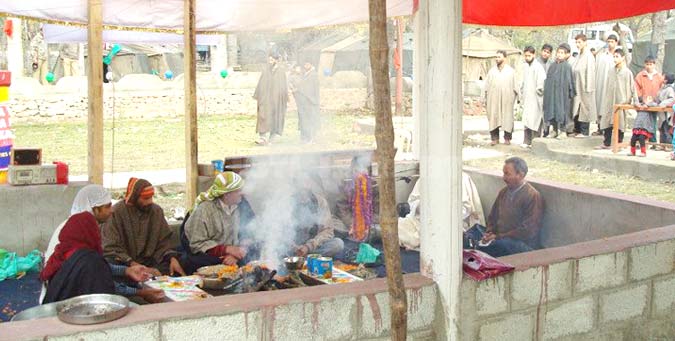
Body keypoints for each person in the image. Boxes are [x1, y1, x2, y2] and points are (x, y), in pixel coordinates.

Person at [40, 185, 161, 304]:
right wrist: (141, 293)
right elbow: (101, 282)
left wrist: (127, 271)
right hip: (66, 301)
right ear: (94, 209)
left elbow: (97, 267)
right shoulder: (80, 234)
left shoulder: (78, 225)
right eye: (107, 206)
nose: (112, 210)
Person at [102, 178, 185, 277]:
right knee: (109, 266)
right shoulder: (116, 212)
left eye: (151, 197)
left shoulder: (156, 211)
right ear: (134, 198)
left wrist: (172, 259)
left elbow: (164, 243)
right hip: (125, 263)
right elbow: (110, 247)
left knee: (181, 262)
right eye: (145, 198)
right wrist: (133, 264)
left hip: (151, 263)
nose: (150, 201)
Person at [182, 172, 256, 274]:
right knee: (197, 261)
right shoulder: (205, 210)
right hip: (210, 256)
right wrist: (226, 250)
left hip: (237, 254)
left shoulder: (242, 204)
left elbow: (251, 231)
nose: (243, 193)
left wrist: (238, 253)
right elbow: (197, 244)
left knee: (255, 253)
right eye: (239, 190)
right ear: (227, 194)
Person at [477, 157, 544, 257]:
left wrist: (498, 237)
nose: (504, 178)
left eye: (507, 174)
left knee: (499, 245)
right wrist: (489, 233)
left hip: (521, 244)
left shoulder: (532, 196)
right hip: (500, 237)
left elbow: (527, 231)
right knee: (472, 234)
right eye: (504, 173)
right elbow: (492, 217)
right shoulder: (503, 192)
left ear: (520, 175)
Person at [289, 173, 344, 258]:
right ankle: (303, 257)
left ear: (310, 184)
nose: (303, 185)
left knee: (337, 244)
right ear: (295, 185)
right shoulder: (288, 203)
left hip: (312, 247)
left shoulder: (320, 202)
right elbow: (280, 232)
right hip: (293, 248)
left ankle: (307, 257)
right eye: (300, 182)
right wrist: (293, 247)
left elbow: (328, 230)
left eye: (306, 182)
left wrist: (309, 246)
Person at [597, 49, 639, 150]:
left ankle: (619, 143)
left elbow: (633, 87)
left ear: (623, 57)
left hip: (621, 100)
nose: (615, 59)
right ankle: (606, 143)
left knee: (620, 122)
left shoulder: (627, 72)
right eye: (614, 56)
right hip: (610, 100)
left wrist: (635, 100)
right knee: (607, 121)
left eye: (617, 57)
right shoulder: (611, 71)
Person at [254, 53, 288, 145]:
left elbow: (284, 86)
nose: (270, 62)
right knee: (263, 116)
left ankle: (272, 138)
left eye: (272, 60)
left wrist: (284, 98)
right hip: (265, 99)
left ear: (276, 60)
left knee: (275, 118)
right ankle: (263, 138)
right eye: (269, 60)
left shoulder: (281, 72)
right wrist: (258, 95)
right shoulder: (265, 70)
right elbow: (260, 83)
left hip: (276, 100)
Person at [485, 50, 518, 145]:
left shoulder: (511, 71)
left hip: (507, 99)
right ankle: (495, 138)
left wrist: (517, 98)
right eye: (496, 57)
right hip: (494, 99)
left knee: (507, 118)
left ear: (505, 58)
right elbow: (486, 86)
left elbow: (516, 85)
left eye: (499, 57)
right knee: (493, 117)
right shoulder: (492, 71)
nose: (497, 59)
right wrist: (484, 97)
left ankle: (507, 138)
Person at [543, 44, 576, 138]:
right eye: (558, 52)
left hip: (562, 94)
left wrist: (570, 93)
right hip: (552, 94)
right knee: (552, 111)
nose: (559, 54)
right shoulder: (552, 66)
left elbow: (570, 81)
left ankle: (563, 131)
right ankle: (554, 130)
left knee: (562, 111)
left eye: (562, 53)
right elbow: (548, 80)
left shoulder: (567, 66)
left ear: (566, 55)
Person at [570, 34, 597, 137]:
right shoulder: (578, 56)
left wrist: (588, 88)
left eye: (580, 42)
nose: (577, 44)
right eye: (576, 42)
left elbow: (590, 72)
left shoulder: (588, 56)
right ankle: (577, 129)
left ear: (585, 43)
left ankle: (584, 131)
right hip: (577, 85)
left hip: (585, 87)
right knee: (576, 107)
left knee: (584, 108)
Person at [634, 56, 665, 145]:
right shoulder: (640, 75)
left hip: (654, 103)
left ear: (654, 65)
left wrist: (657, 100)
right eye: (647, 64)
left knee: (653, 122)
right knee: (642, 123)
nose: (649, 66)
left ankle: (653, 141)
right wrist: (641, 99)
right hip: (643, 103)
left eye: (650, 64)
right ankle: (642, 142)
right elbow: (636, 88)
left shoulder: (659, 76)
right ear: (644, 64)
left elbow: (662, 89)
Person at [520, 46, 547, 147]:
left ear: (534, 55)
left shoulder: (538, 67)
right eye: (526, 56)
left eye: (529, 55)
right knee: (527, 120)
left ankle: (535, 143)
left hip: (536, 98)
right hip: (527, 98)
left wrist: (539, 92)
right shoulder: (525, 66)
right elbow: (523, 82)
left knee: (536, 120)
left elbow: (542, 83)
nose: (527, 57)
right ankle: (526, 141)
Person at [595, 34, 620, 136]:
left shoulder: (619, 55)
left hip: (613, 86)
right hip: (602, 84)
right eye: (608, 41)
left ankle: (613, 129)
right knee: (601, 104)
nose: (610, 44)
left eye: (612, 42)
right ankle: (600, 127)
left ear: (616, 42)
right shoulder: (602, 55)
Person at [290, 62, 320, 143]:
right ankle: (305, 138)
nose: (305, 66)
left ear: (311, 65)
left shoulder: (313, 75)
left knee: (311, 119)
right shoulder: (306, 74)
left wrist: (297, 89)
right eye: (305, 64)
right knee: (305, 119)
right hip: (304, 101)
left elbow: (310, 88)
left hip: (310, 100)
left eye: (308, 64)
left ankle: (311, 138)